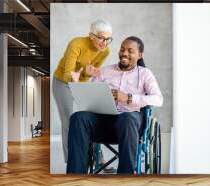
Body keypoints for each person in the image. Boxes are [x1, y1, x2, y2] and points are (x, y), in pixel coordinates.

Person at [66, 36, 163, 174]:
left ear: (140, 55)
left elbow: (158, 99)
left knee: (127, 118)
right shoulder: (105, 71)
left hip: (130, 124)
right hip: (104, 122)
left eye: (130, 51)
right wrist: (78, 82)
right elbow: (89, 95)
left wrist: (128, 98)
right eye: (122, 49)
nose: (124, 53)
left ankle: (124, 177)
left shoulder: (145, 74)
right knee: (78, 117)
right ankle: (75, 176)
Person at [52, 19, 112, 163]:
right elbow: (67, 75)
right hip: (62, 82)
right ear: (91, 36)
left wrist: (87, 73)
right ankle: (71, 161)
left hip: (82, 82)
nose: (105, 43)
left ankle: (99, 159)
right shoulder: (76, 44)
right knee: (69, 120)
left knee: (91, 118)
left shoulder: (105, 51)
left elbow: (90, 73)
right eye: (101, 38)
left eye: (108, 39)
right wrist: (76, 77)